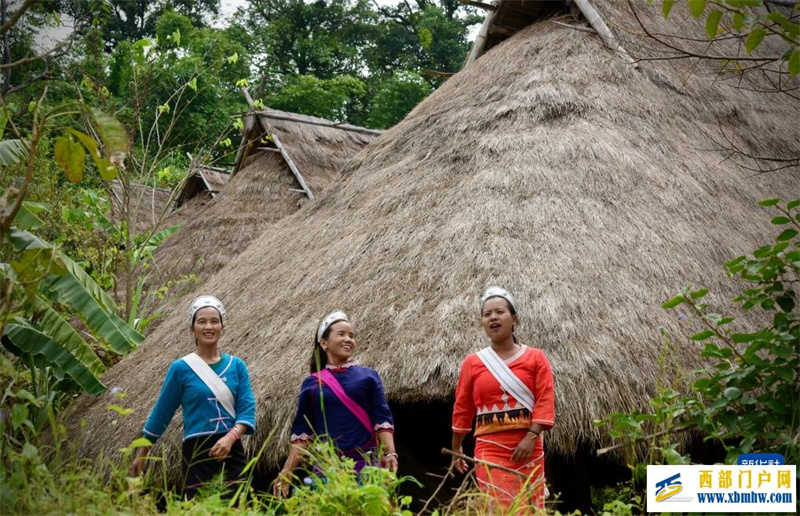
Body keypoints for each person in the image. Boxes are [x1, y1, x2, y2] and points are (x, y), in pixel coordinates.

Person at [129, 295, 256, 499]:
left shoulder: (237, 366)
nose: (209, 326)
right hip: (197, 452)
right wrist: (141, 458)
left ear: (222, 327)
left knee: (237, 508)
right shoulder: (181, 369)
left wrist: (231, 438)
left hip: (231, 448)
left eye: (214, 321)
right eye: (202, 321)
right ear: (192, 328)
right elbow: (161, 414)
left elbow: (247, 409)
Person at [451, 287, 555, 512]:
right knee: (499, 507)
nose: (493, 318)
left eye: (499, 312)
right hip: (489, 449)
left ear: (514, 319)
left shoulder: (536, 357)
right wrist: (457, 447)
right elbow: (463, 407)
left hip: (528, 447)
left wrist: (531, 435)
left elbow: (545, 399)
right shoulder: (473, 362)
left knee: (530, 508)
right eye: (487, 314)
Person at [273, 310, 397, 497]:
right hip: (327, 468)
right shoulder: (312, 384)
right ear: (324, 343)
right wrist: (287, 471)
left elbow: (382, 420)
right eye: (341, 334)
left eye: (351, 336)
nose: (348, 339)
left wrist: (390, 454)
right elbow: (302, 432)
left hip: (367, 464)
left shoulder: (369, 376)